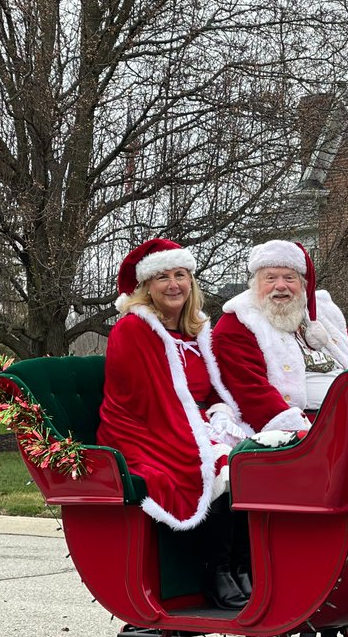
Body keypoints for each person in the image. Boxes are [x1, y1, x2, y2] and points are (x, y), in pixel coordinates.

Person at [97, 238, 253, 610]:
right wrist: (202, 434)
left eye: (180, 275)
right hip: (144, 431)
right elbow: (151, 401)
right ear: (146, 287)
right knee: (220, 466)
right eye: (163, 277)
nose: (173, 285)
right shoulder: (133, 330)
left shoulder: (196, 331)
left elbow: (212, 389)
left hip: (189, 421)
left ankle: (243, 565)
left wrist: (220, 412)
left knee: (253, 458)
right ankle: (216, 572)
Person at [212, 240, 348, 433]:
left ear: (303, 285)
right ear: (255, 284)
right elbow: (251, 393)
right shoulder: (237, 324)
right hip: (307, 428)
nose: (281, 286)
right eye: (270, 278)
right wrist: (303, 433)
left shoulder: (324, 315)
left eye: (289, 278)